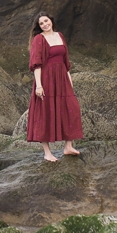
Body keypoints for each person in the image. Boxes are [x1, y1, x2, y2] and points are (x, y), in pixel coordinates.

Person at [27, 12, 83, 163]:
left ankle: (68, 146)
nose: (45, 24)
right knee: (44, 113)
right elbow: (36, 64)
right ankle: (47, 152)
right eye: (41, 23)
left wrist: (70, 83)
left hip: (62, 79)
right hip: (46, 80)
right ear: (39, 27)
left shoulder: (60, 35)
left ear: (51, 20)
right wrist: (39, 85)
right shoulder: (39, 39)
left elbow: (66, 64)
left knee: (71, 108)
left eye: (46, 21)